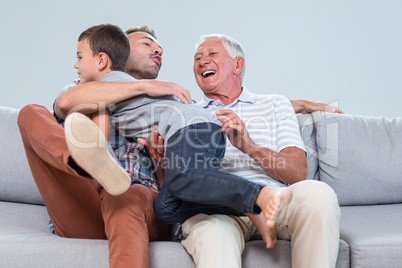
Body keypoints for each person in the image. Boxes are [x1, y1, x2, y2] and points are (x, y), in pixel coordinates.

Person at [141, 34, 341, 268]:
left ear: (238, 64)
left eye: (212, 54)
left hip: (274, 202)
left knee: (318, 194)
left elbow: (297, 172)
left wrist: (249, 146)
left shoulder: (275, 104)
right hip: (214, 212)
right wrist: (162, 162)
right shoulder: (187, 115)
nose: (202, 61)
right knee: (214, 233)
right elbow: (175, 191)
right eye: (197, 57)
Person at [17, 24, 192, 268]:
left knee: (124, 195)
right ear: (118, 52)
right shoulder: (78, 87)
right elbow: (66, 103)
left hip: (135, 203)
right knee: (30, 113)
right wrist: (141, 86)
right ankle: (85, 163)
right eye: (147, 43)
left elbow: (176, 197)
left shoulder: (166, 104)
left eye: (160, 47)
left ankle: (102, 167)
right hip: (84, 201)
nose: (157, 50)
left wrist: (161, 162)